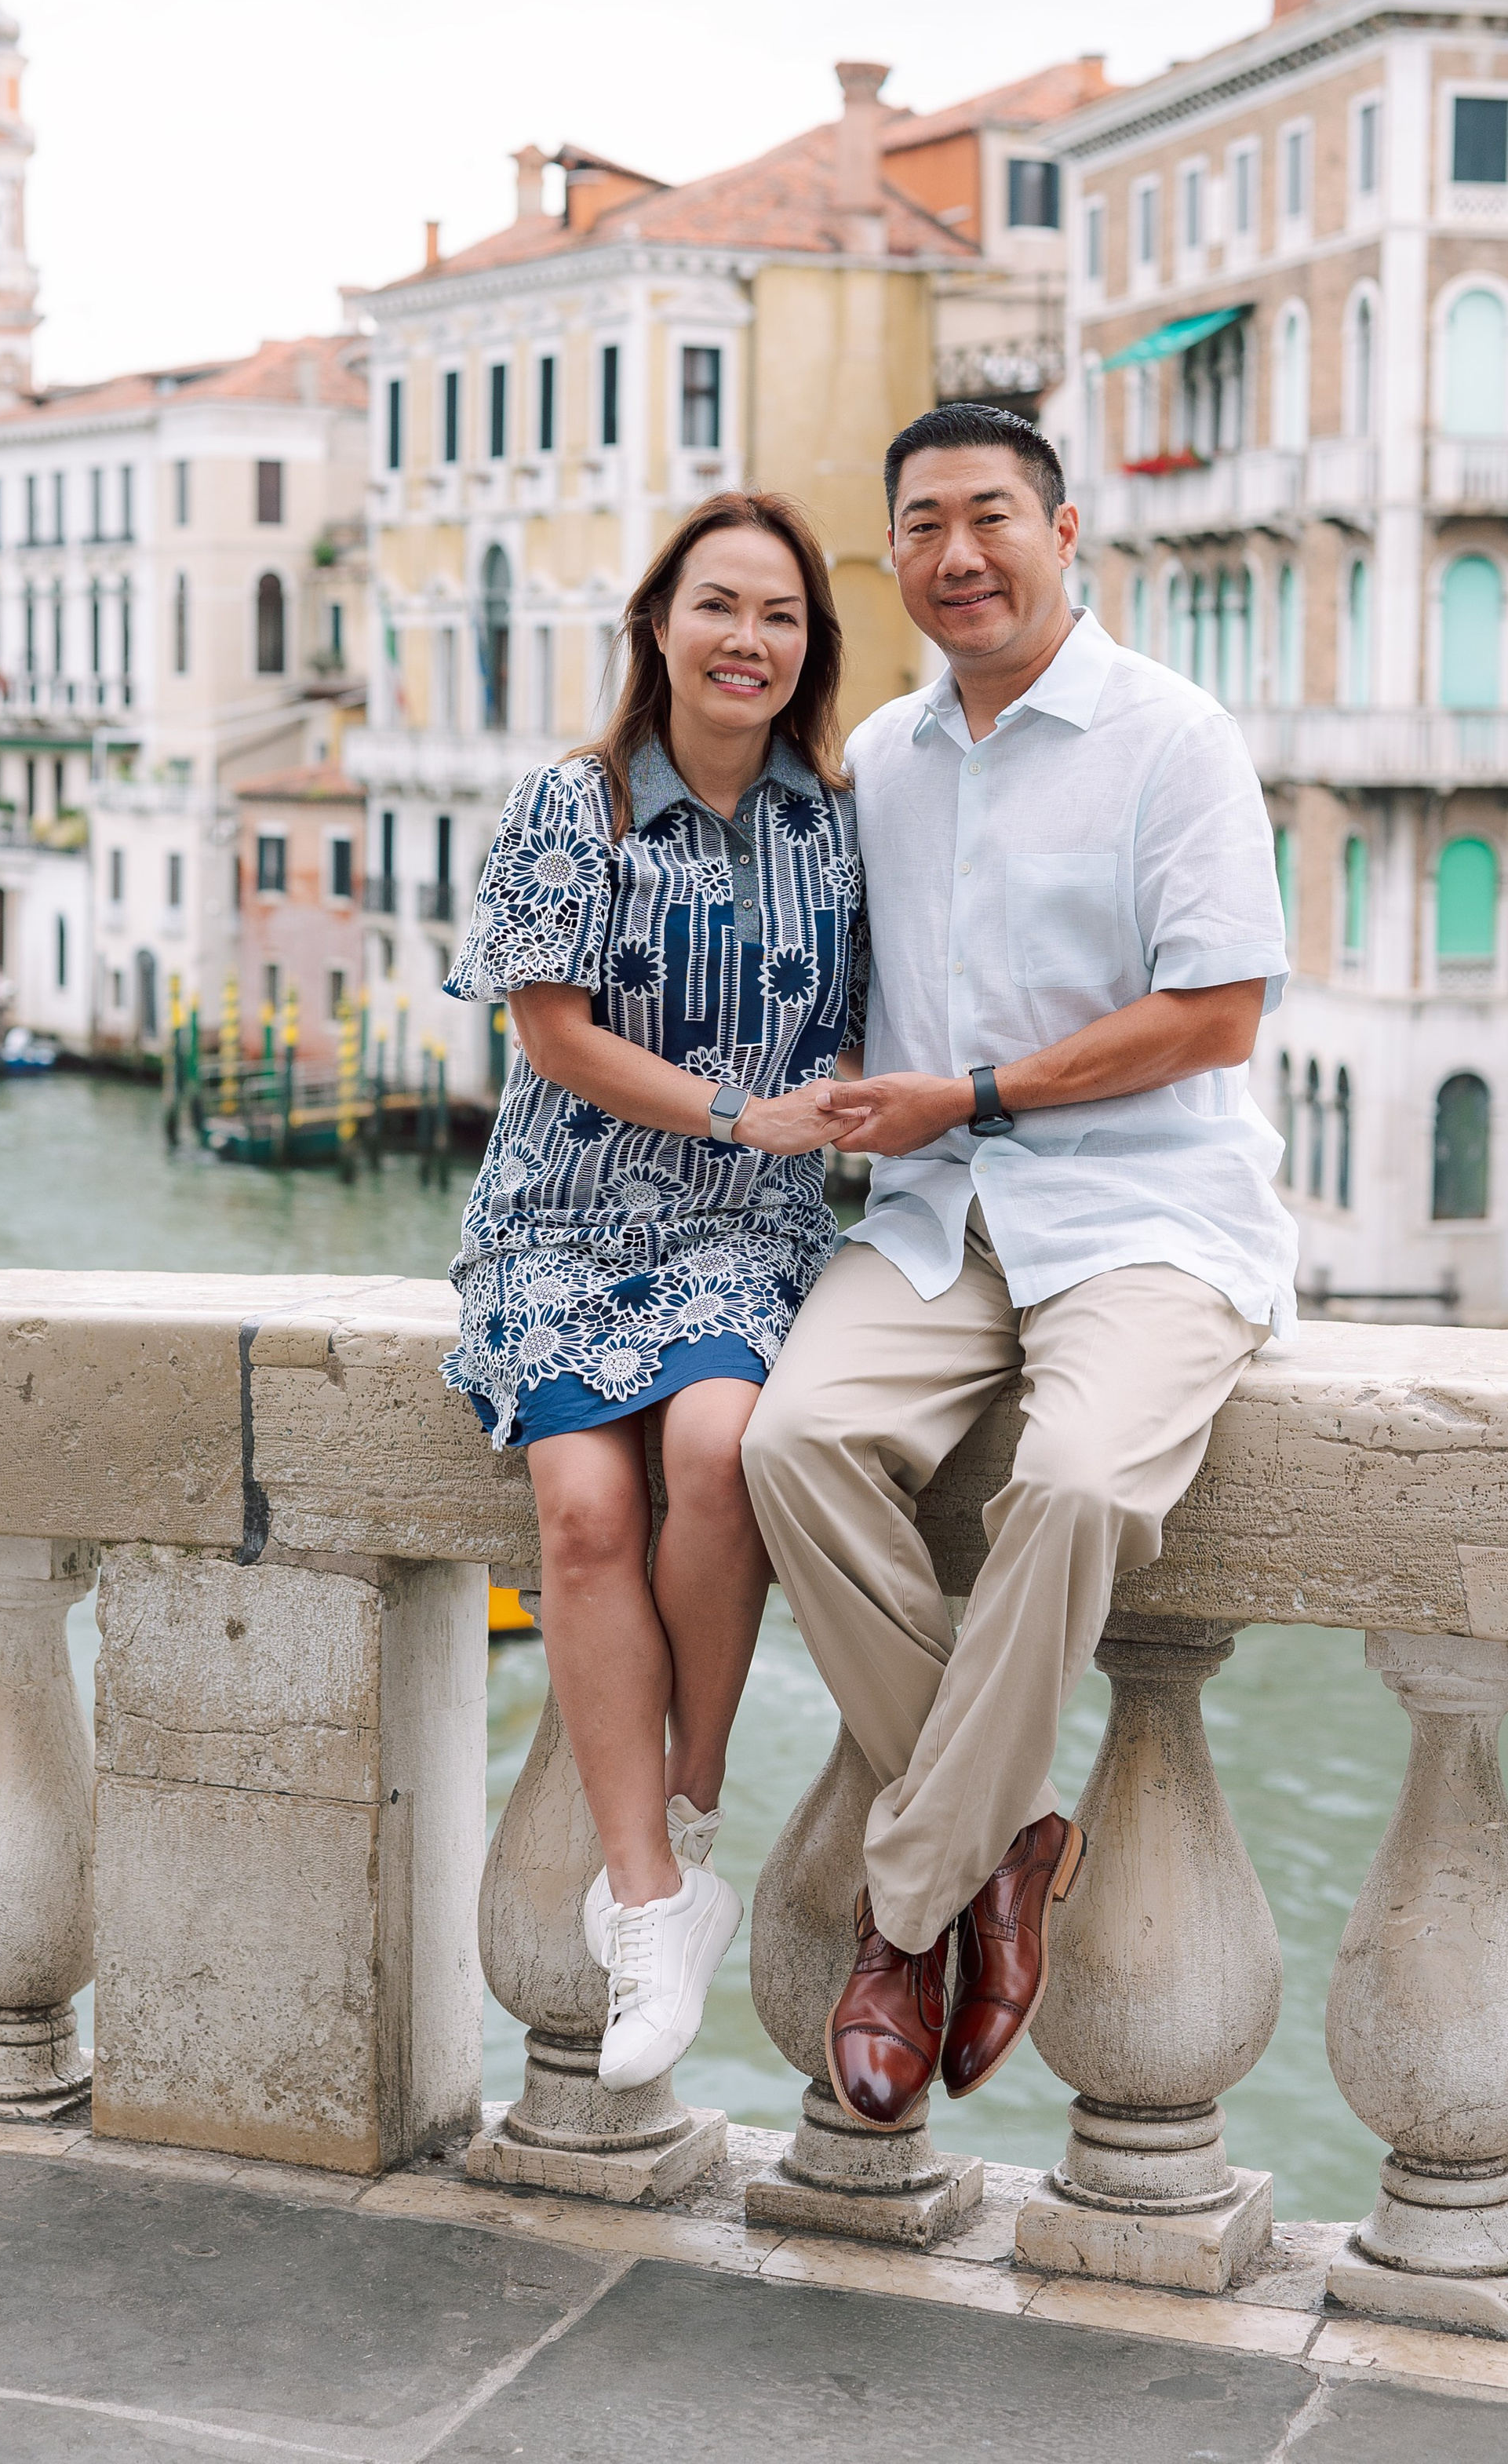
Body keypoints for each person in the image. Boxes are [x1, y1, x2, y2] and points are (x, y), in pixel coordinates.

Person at [741, 402, 1297, 2132]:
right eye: (920, 524)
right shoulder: (882, 761)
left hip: (1146, 1211)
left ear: (1068, 539)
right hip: (930, 1215)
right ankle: (1006, 1837)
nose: (956, 552)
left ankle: (906, 1912)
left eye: (990, 516)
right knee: (788, 1446)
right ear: (889, 556)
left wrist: (971, 1091)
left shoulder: (1171, 736)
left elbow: (1215, 1009)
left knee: (1065, 1486)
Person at [442, 489, 865, 2091]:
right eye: (717, 607)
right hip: (560, 1216)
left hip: (744, 1230)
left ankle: (688, 1811)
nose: (745, 639)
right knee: (578, 1512)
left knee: (712, 1452)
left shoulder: (831, 819)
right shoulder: (574, 805)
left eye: (777, 614)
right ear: (657, 627)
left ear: (804, 646)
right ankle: (644, 1897)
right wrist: (730, 1107)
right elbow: (545, 1031)